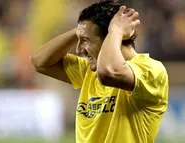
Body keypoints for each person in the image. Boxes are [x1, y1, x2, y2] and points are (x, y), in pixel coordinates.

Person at [30, 0, 169, 143]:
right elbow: (39, 62)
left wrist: (116, 30)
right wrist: (82, 29)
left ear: (110, 38)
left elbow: (108, 72)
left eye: (86, 40)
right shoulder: (89, 71)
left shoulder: (151, 71)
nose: (79, 50)